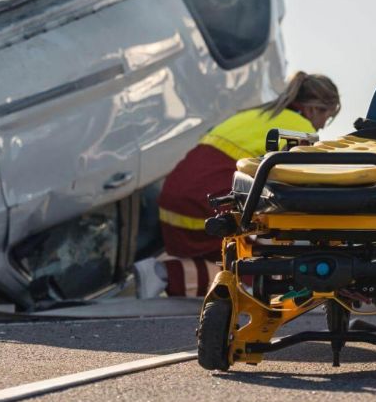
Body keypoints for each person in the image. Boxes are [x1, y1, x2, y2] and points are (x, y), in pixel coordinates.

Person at [135, 72, 340, 297]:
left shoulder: (254, 115)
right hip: (206, 206)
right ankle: (163, 273)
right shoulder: (300, 131)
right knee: (258, 262)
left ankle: (162, 273)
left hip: (173, 202)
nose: (322, 127)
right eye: (327, 118)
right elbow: (299, 189)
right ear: (314, 109)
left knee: (230, 256)